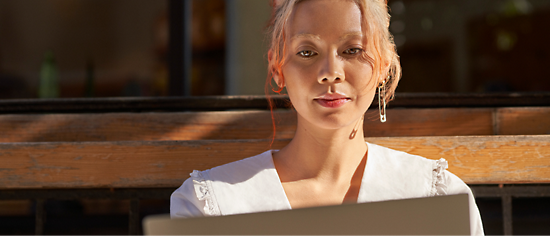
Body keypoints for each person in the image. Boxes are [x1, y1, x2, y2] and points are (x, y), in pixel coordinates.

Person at [171, 0, 484, 235]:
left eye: (352, 50)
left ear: (384, 66)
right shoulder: (209, 203)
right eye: (307, 52)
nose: (331, 73)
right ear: (278, 68)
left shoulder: (438, 196)